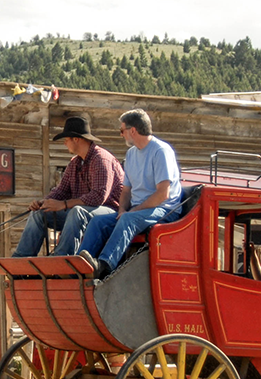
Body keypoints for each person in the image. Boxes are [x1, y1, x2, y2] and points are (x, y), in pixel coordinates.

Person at [77, 109, 183, 281]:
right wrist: (122, 210)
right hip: (138, 210)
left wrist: (131, 212)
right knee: (98, 222)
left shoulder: (161, 151)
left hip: (164, 210)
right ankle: (79, 265)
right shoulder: (131, 154)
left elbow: (163, 194)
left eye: (122, 130)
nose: (121, 135)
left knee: (128, 220)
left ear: (133, 130)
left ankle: (103, 265)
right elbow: (126, 190)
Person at [11, 116, 125, 257]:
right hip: (82, 214)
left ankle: (61, 257)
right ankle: (21, 260)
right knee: (39, 214)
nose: (65, 143)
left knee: (76, 211)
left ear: (76, 139)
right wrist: (44, 203)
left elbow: (99, 196)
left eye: (66, 139)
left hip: (111, 213)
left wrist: (64, 204)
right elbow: (62, 190)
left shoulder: (101, 159)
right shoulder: (75, 163)